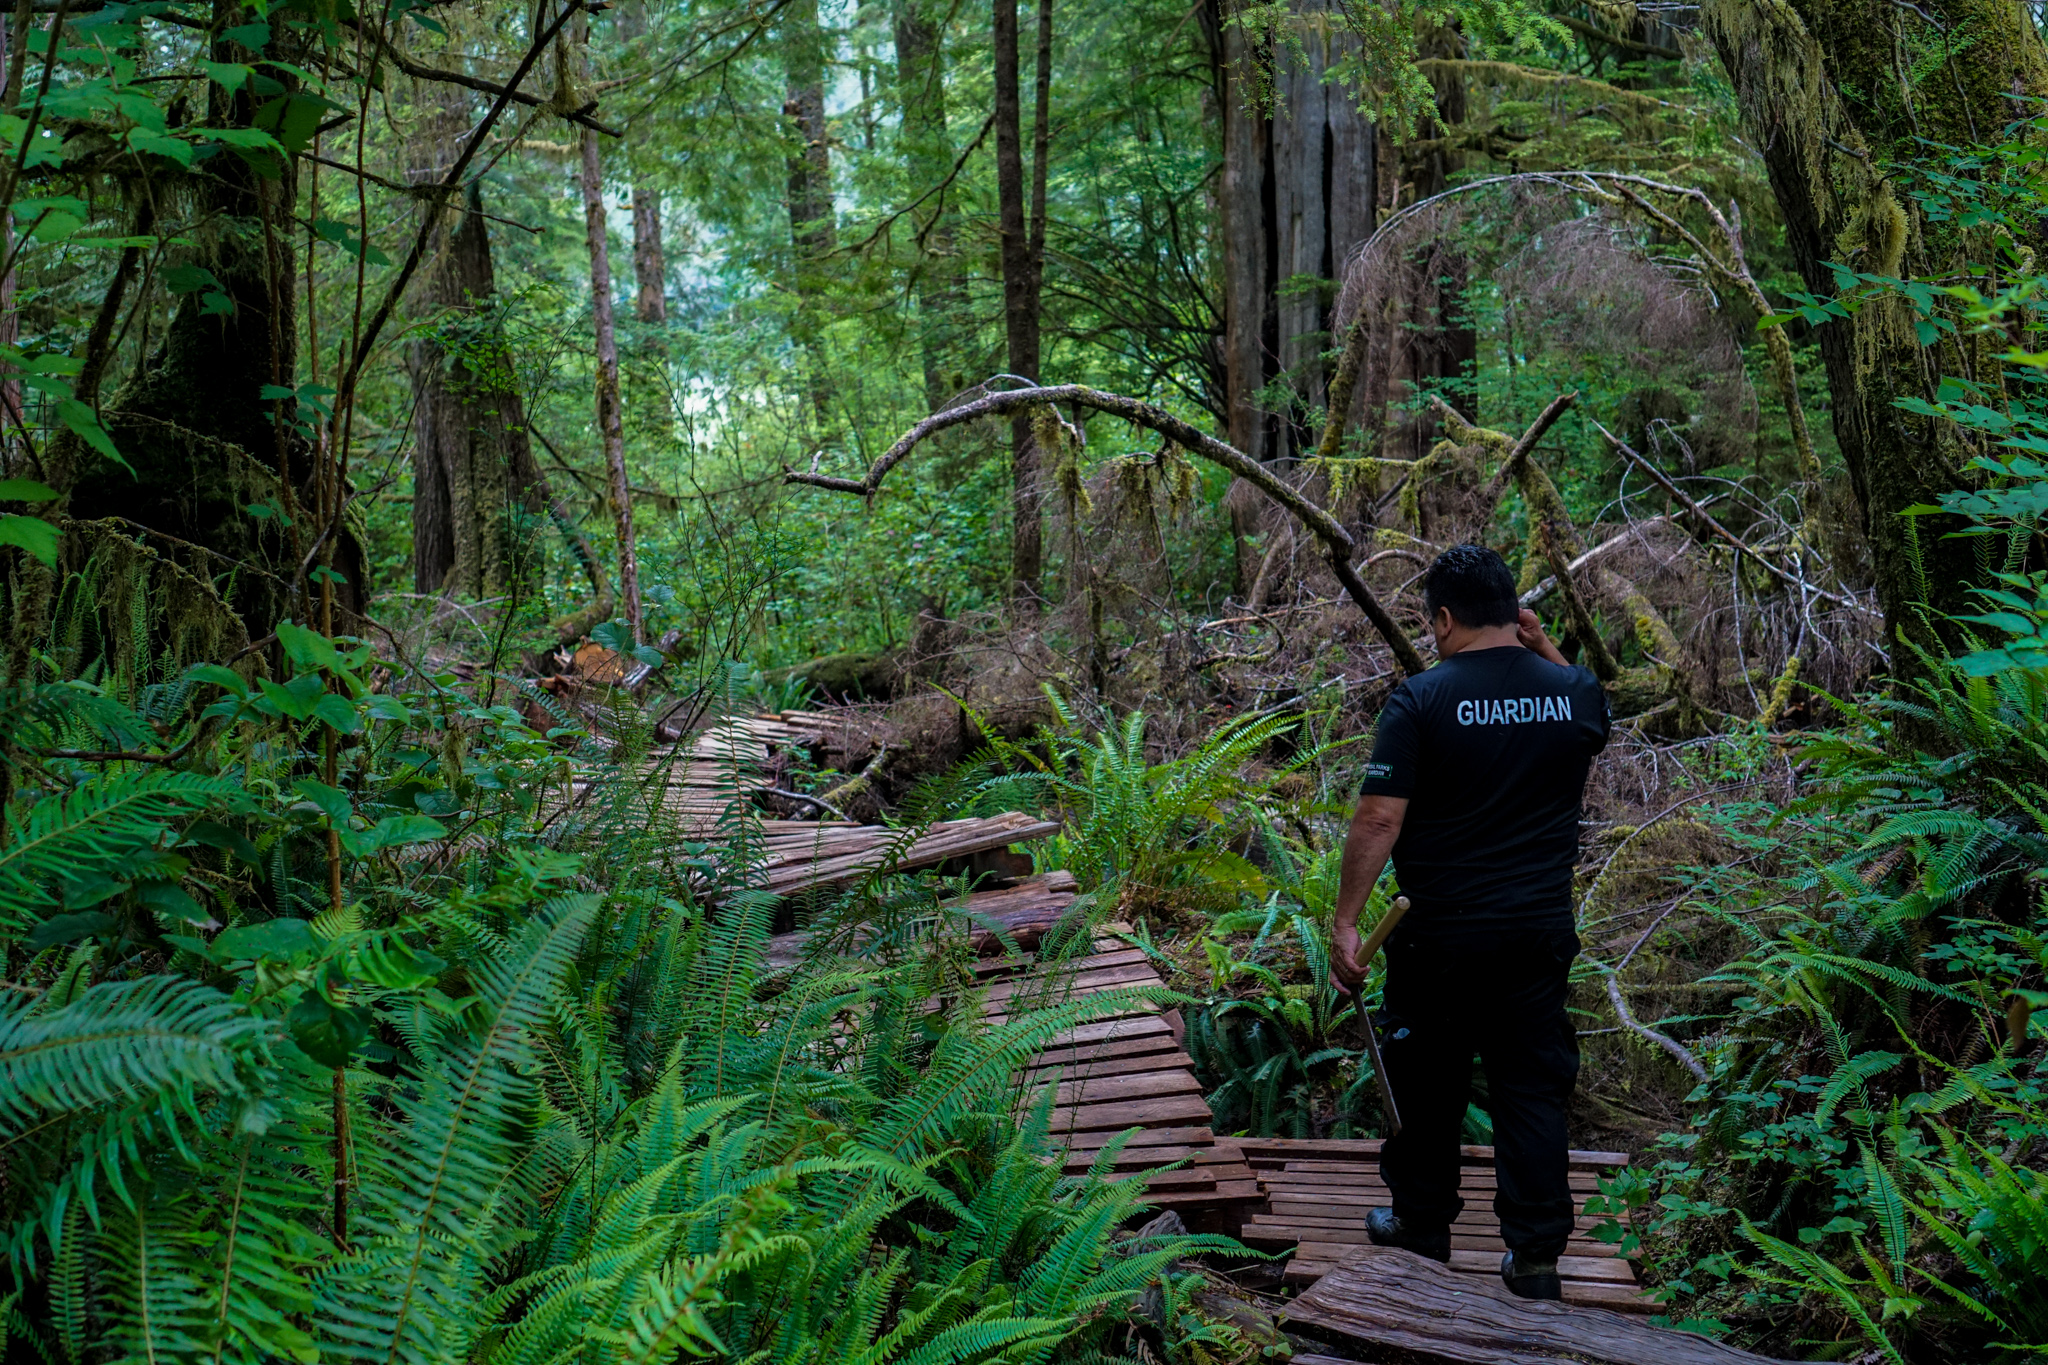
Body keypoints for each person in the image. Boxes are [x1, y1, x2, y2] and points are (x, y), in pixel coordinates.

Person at [1331, 543, 1611, 1301]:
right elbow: (1585, 709)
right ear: (1512, 613)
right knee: (1530, 1088)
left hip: (1438, 942)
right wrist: (1542, 641)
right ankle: (1535, 1255)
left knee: (1426, 1082)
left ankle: (1421, 1226)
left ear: (1445, 618)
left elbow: (1381, 816)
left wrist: (1347, 921)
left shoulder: (1420, 699)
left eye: (1432, 624)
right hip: (1535, 934)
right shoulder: (1573, 691)